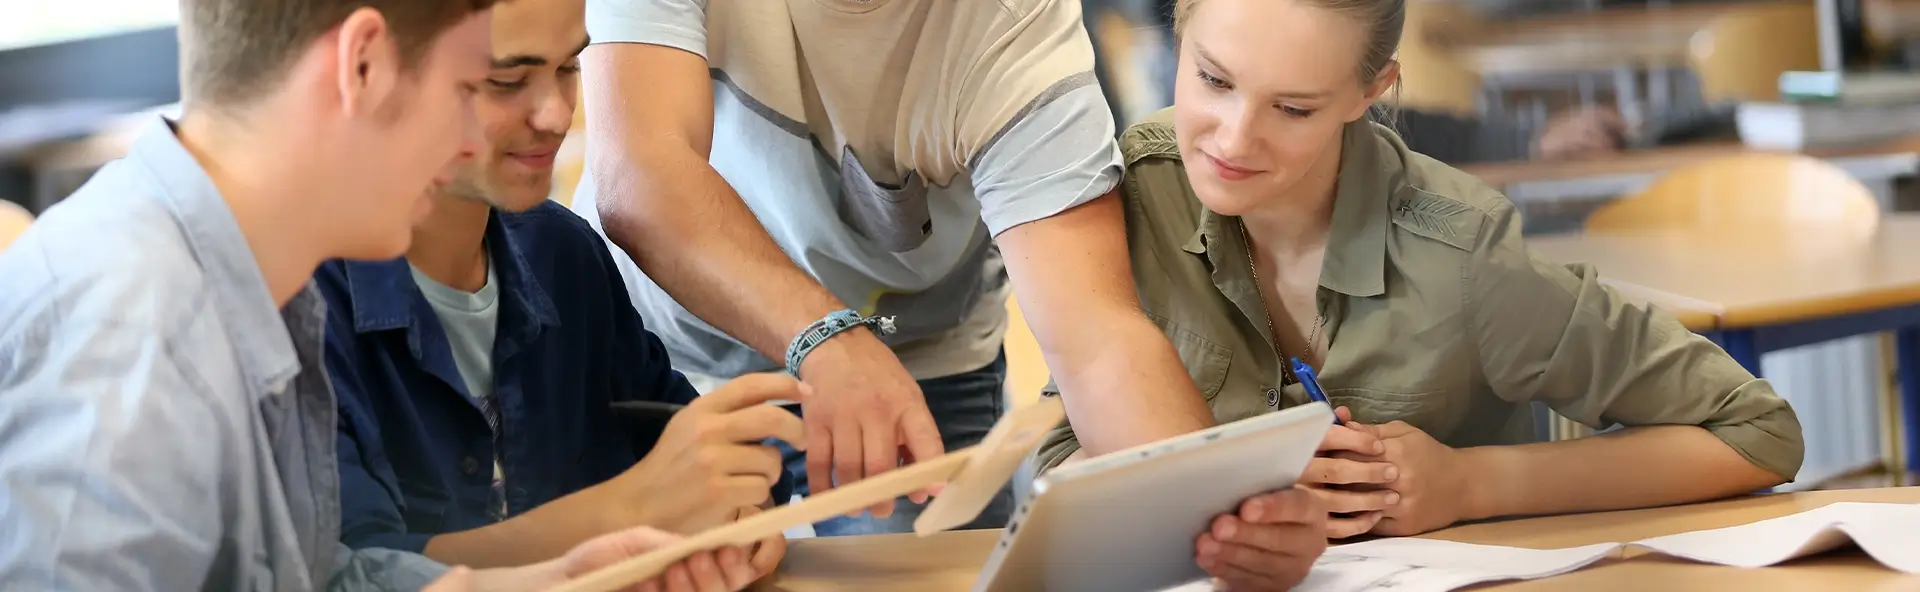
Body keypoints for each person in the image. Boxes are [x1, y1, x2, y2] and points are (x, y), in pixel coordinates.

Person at [0, 0, 756, 589]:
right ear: (361, 65)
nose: (471, 140)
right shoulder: (138, 337)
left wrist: (555, 580)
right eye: (472, 87)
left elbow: (311, 579)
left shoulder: (255, 284)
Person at [1036, 0, 1804, 551]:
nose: (1234, 138)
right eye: (1212, 80)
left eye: (1294, 109)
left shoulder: (1463, 255)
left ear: (1371, 93)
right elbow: (1053, 466)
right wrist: (1212, 495)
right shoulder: (1123, 196)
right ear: (1179, 26)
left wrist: (1474, 486)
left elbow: (1757, 433)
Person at [570, 0, 1229, 536]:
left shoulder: (1020, 33)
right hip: (661, 342)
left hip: (908, 364)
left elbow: (1100, 342)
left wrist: (1216, 519)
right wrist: (823, 333)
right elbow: (641, 177)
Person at [319, 0, 792, 571]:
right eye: (507, 81)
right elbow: (352, 571)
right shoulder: (302, 302)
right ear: (373, 72)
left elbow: (694, 453)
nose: (555, 113)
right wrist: (632, 507)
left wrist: (739, 514)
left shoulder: (562, 252)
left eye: (569, 68)